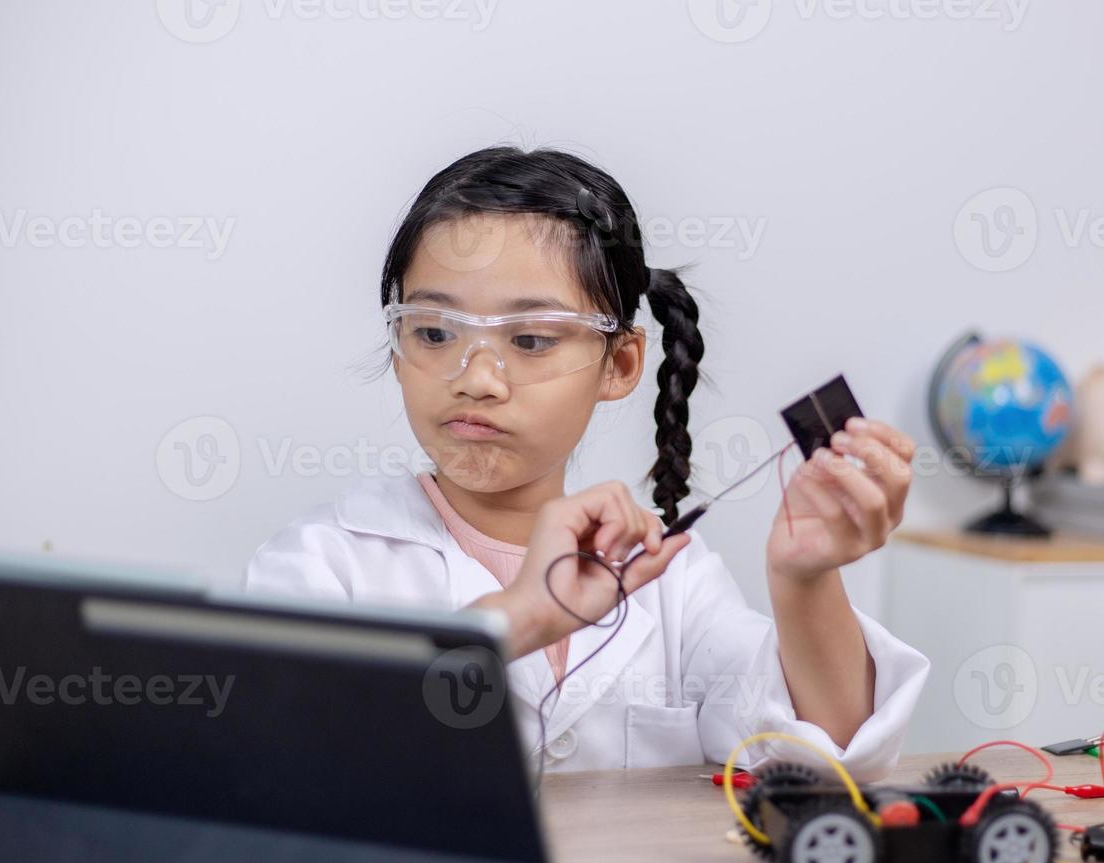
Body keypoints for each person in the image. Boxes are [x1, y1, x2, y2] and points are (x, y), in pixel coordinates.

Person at [246, 146, 929, 778]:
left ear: (621, 362)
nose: (476, 377)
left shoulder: (673, 581)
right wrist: (518, 620)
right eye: (433, 331)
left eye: (532, 339)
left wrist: (804, 581)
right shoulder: (322, 565)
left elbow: (821, 758)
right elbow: (280, 765)